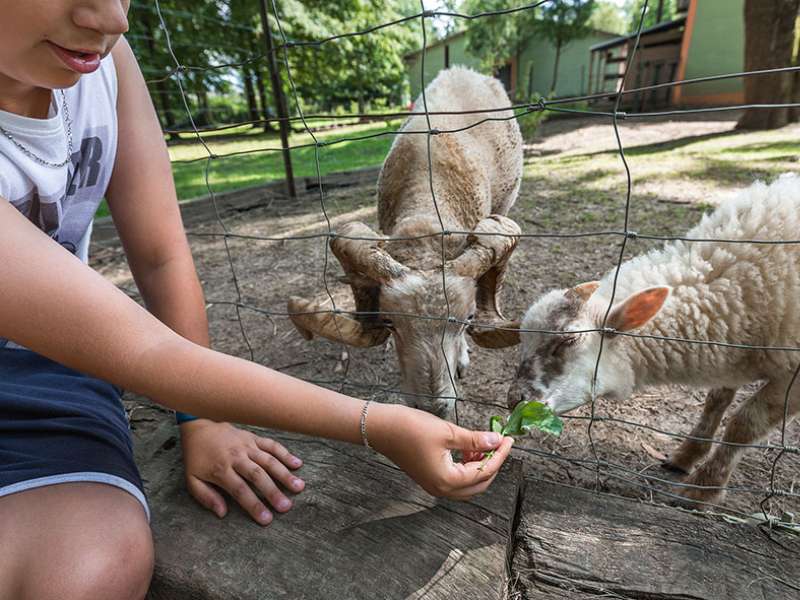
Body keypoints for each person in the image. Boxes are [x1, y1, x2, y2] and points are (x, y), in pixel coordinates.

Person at [0, 2, 514, 598]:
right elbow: (144, 353)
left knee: (91, 570)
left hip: (53, 373)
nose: (114, 17)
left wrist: (202, 418)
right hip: (85, 356)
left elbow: (163, 256)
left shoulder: (104, 65)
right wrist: (380, 424)